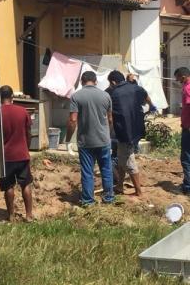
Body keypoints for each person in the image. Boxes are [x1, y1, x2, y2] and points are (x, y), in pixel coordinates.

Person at [65, 71, 114, 206]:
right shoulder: (106, 95)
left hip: (86, 142)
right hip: (103, 140)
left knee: (87, 171)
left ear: (82, 81)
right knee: (106, 169)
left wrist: (68, 140)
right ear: (95, 81)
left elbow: (73, 120)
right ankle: (108, 198)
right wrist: (107, 135)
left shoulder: (76, 97)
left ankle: (88, 201)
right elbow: (110, 119)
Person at [107, 70, 152, 196]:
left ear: (113, 82)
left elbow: (109, 115)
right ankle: (120, 186)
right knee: (122, 159)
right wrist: (151, 105)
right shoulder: (136, 88)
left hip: (124, 132)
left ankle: (138, 191)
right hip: (136, 130)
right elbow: (146, 96)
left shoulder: (114, 93)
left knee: (129, 161)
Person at [0, 85, 33, 222]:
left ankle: (11, 215)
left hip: (5, 156)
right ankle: (29, 215)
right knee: (26, 184)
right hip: (22, 154)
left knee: (8, 186)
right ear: (12, 97)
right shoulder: (22, 111)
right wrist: (27, 148)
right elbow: (28, 133)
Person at [174, 67, 190, 195]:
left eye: (178, 78)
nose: (177, 81)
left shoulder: (187, 88)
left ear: (183, 77)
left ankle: (188, 187)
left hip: (188, 128)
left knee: (186, 157)